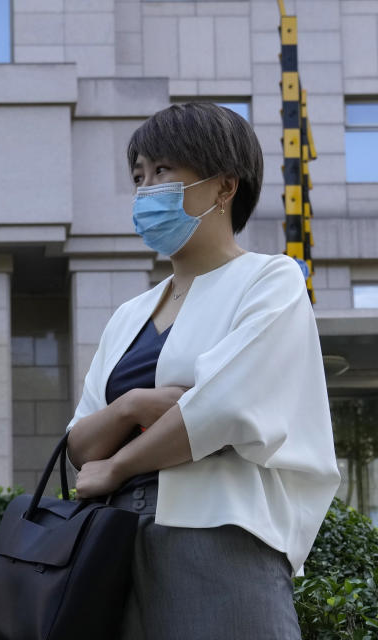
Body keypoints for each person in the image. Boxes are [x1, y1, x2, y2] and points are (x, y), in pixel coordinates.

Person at [64, 102, 340, 640]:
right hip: (114, 542)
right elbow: (79, 445)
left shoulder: (271, 281)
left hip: (219, 532)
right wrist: (135, 405)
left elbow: (224, 408)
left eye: (164, 171)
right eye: (139, 176)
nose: (147, 189)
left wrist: (118, 466)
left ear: (223, 187)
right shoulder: (129, 316)